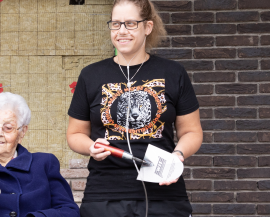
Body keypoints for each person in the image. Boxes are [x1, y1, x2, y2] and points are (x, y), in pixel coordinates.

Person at [66, 0, 203, 216]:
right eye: (116, 24)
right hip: (105, 194)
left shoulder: (173, 72)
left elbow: (192, 132)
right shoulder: (90, 75)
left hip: (163, 193)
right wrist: (90, 147)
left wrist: (177, 155)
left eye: (130, 24)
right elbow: (75, 134)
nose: (121, 31)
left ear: (148, 27)